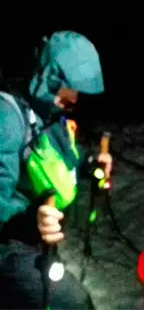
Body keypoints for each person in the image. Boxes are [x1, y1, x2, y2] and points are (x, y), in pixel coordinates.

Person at [0, 31, 108, 310]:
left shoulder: (49, 116)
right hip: (8, 248)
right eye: (67, 88)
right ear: (48, 78)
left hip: (36, 242)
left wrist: (90, 163)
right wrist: (29, 216)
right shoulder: (8, 119)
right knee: (73, 305)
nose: (73, 98)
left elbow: (60, 155)